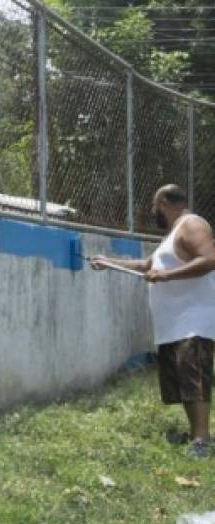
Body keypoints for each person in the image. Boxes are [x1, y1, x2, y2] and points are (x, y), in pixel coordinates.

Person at [91, 185, 215, 457]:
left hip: (194, 319)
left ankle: (203, 440)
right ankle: (196, 434)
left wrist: (167, 277)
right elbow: (149, 266)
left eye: (154, 204)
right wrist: (108, 261)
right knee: (183, 381)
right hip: (174, 323)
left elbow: (209, 259)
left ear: (167, 203)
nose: (152, 210)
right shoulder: (172, 235)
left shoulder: (192, 224)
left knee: (194, 378)